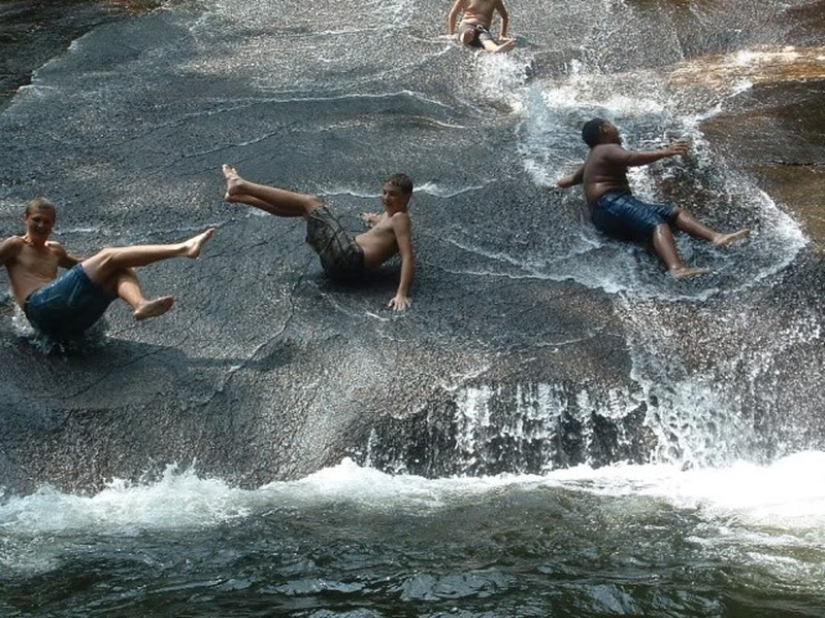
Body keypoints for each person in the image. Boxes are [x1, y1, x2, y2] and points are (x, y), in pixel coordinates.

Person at [0, 196, 216, 340]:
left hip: (62, 325)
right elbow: (97, 263)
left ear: (53, 224)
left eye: (47, 222)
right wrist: (110, 257)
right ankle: (183, 248)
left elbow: (78, 266)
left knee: (120, 267)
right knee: (110, 255)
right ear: (25, 218)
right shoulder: (15, 245)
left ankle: (140, 305)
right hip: (38, 308)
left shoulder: (54, 250)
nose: (41, 226)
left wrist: (121, 260)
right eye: (36, 220)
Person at [556, 118, 750, 278]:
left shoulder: (593, 156)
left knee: (674, 213)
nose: (617, 130)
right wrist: (666, 152)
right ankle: (677, 268)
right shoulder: (607, 148)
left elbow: (572, 180)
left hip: (608, 211)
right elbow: (631, 158)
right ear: (605, 129)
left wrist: (555, 183)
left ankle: (717, 237)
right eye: (612, 125)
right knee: (657, 224)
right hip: (610, 203)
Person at [221, 165, 415, 311]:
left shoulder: (401, 219)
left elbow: (407, 256)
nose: (386, 198)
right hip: (342, 266)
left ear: (406, 198)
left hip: (348, 259)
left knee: (311, 202)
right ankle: (238, 197)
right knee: (304, 210)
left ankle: (241, 185)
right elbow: (381, 228)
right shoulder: (389, 216)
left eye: (393, 195)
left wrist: (401, 293)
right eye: (384, 192)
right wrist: (372, 219)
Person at [447, 0, 515, 54]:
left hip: (483, 29)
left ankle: (495, 49)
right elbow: (453, 14)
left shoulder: (495, 0)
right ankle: (464, 38)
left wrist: (502, 35)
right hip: (467, 25)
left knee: (487, 40)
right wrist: (451, 33)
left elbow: (504, 16)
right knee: (467, 33)